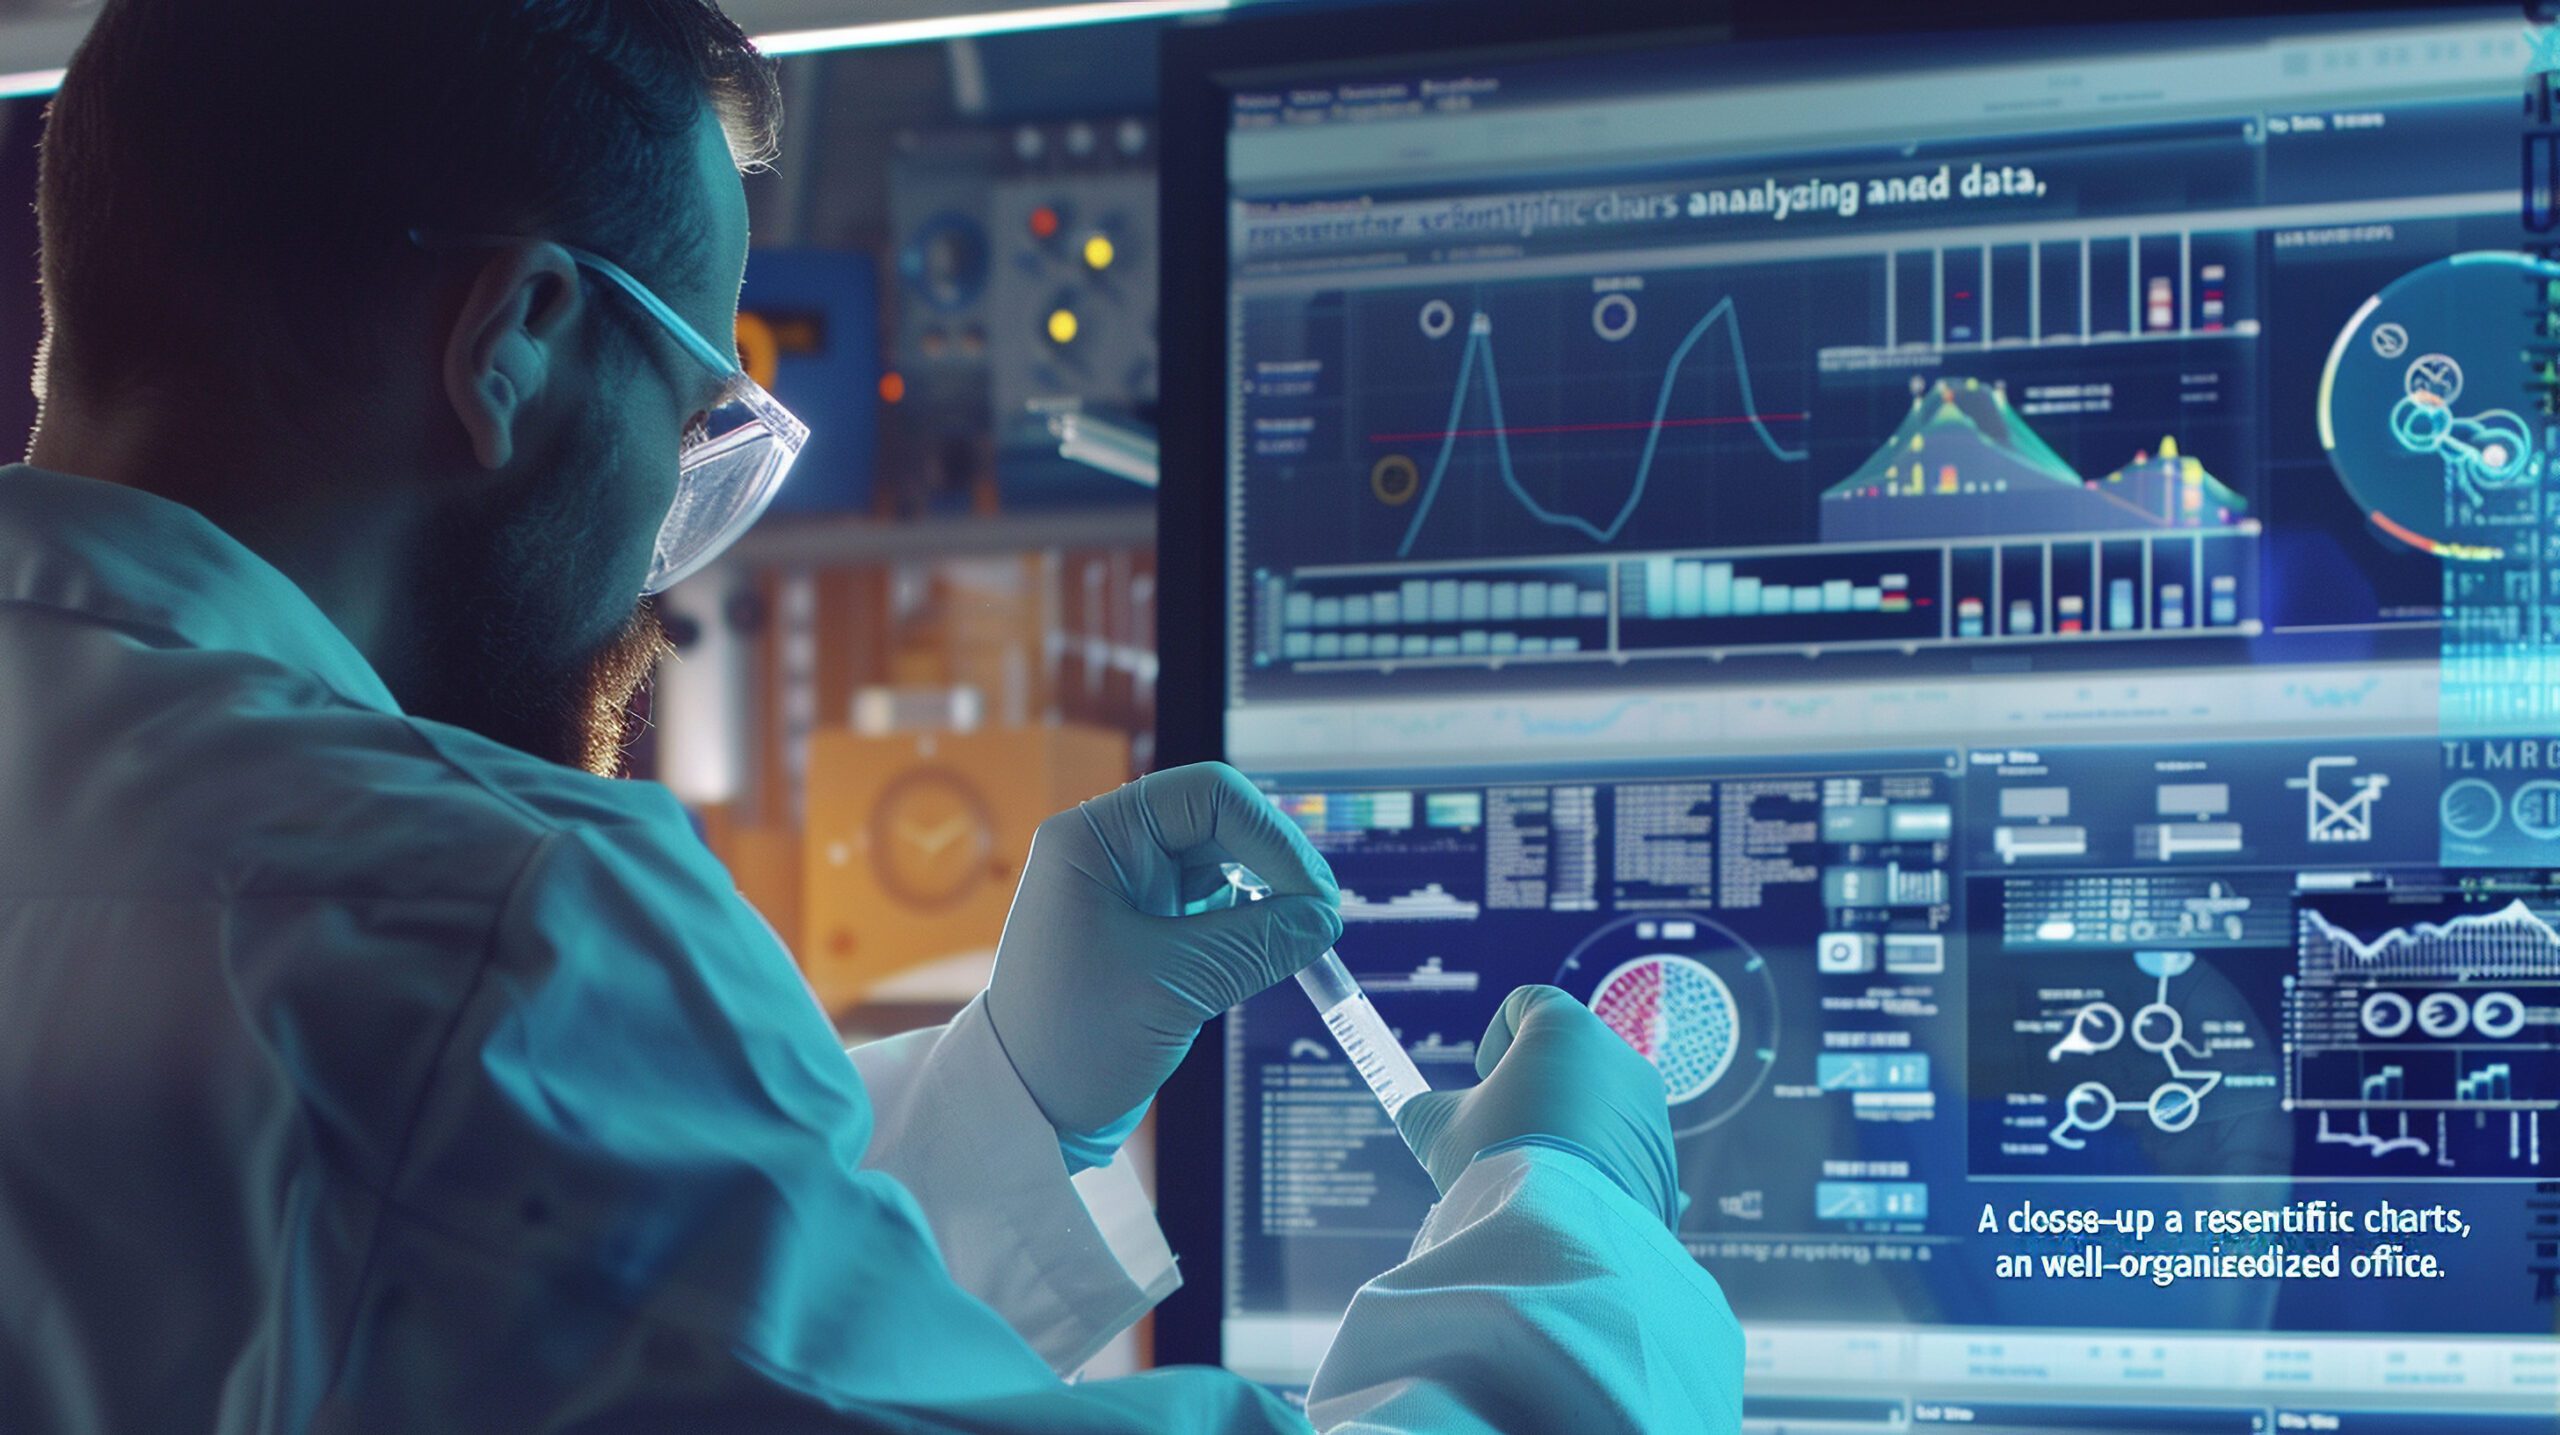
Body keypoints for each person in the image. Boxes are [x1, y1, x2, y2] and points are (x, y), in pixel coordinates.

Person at [0, 2, 1741, 1430]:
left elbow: (575, 1333)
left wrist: (1017, 1088)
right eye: (695, 421)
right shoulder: (484, 931)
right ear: (517, 337)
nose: (658, 580)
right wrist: (1573, 1210)